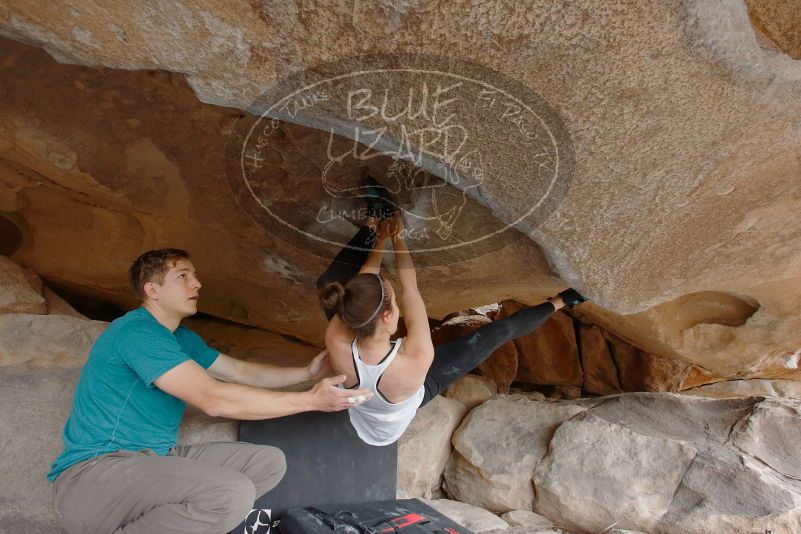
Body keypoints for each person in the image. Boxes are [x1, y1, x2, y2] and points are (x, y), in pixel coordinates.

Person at [49, 248, 372, 534]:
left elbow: (240, 372)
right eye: (183, 276)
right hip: (97, 475)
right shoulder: (137, 332)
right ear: (152, 290)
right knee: (230, 493)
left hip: (152, 459)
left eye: (195, 276)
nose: (197, 284)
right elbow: (213, 399)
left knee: (267, 462)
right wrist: (310, 401)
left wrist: (306, 372)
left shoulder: (181, 339)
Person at [317, 208, 586, 447]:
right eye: (395, 303)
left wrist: (382, 237)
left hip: (365, 416)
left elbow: (365, 280)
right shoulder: (416, 359)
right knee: (493, 335)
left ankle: (371, 225)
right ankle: (561, 302)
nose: (399, 304)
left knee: (329, 282)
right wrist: (397, 237)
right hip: (401, 410)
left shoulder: (336, 339)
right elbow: (409, 286)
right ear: (388, 317)